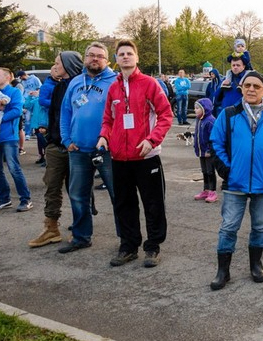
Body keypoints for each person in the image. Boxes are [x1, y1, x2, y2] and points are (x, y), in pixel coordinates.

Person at [208, 71, 263, 290]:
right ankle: (223, 271)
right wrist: (227, 169)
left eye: (256, 86)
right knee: (228, 227)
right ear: (241, 89)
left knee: (260, 227)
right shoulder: (228, 114)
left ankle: (256, 264)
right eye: (247, 86)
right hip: (235, 183)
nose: (251, 89)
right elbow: (216, 142)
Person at [97, 40, 173, 268]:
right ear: (116, 59)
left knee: (153, 204)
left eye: (130, 53)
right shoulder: (113, 88)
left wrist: (152, 140)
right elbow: (108, 119)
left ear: (137, 58)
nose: (126, 57)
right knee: (124, 204)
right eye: (121, 54)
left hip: (146, 156)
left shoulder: (150, 84)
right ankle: (128, 246)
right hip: (119, 158)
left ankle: (153, 247)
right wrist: (104, 136)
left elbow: (166, 115)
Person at [58, 42, 118, 253]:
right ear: (85, 58)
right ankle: (81, 236)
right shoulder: (75, 82)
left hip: (107, 150)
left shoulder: (116, 81)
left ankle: (127, 240)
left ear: (107, 60)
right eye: (90, 55)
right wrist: (66, 139)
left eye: (99, 56)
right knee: (78, 195)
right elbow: (65, 113)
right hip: (78, 149)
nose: (95, 59)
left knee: (117, 195)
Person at [28, 52, 83, 247]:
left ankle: (81, 230)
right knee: (51, 187)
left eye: (58, 62)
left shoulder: (81, 86)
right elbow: (54, 113)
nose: (55, 65)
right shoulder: (58, 86)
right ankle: (51, 228)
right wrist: (50, 136)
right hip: (55, 145)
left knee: (77, 190)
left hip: (77, 148)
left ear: (68, 65)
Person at [0, 67, 32, 212]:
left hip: (9, 136)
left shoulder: (14, 92)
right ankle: (4, 198)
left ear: (7, 77)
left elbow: (17, 111)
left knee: (14, 168)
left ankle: (26, 199)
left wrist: (2, 118)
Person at [192, 98, 217, 203]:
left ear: (205, 109)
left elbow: (213, 137)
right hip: (201, 151)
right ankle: (206, 190)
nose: (195, 110)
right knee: (204, 171)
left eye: (197, 108)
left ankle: (213, 191)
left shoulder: (210, 121)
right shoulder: (199, 119)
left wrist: (209, 150)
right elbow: (198, 134)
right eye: (195, 108)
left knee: (210, 171)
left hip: (208, 152)